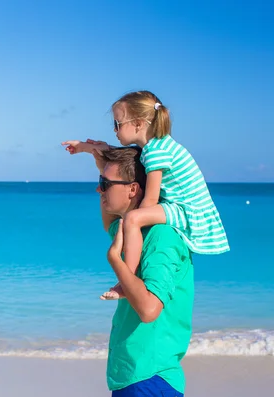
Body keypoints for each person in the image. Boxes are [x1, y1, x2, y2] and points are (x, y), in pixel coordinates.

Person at [63, 90, 228, 299]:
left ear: (139, 124)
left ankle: (127, 279)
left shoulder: (156, 152)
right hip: (181, 205)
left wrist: (133, 221)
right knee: (132, 219)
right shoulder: (156, 145)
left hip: (187, 210)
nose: (114, 130)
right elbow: (116, 155)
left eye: (117, 124)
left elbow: (150, 198)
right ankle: (128, 277)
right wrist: (85, 148)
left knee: (133, 218)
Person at [87, 146, 193, 396]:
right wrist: (102, 167)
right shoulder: (130, 231)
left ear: (133, 189)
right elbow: (109, 222)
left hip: (152, 378)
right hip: (129, 376)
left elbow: (148, 309)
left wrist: (115, 260)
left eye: (105, 184)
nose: (99, 190)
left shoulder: (161, 237)